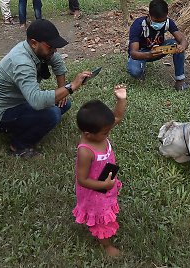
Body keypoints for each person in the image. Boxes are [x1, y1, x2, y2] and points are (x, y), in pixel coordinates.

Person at [0, 19, 91, 157]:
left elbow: (57, 63)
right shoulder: (22, 62)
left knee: (64, 103)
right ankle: (18, 145)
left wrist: (63, 89)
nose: (55, 50)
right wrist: (71, 86)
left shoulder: (36, 50)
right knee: (52, 114)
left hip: (19, 102)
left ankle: (26, 124)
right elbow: (36, 101)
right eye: (51, 46)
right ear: (34, 43)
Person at [72, 84, 127, 258]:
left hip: (106, 182)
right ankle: (107, 245)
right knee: (100, 219)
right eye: (106, 132)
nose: (109, 133)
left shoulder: (99, 131)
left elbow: (117, 116)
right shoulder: (86, 150)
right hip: (94, 191)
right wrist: (103, 184)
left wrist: (121, 99)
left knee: (107, 206)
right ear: (88, 134)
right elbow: (82, 179)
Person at [127, 0, 189, 90]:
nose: (159, 24)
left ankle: (180, 81)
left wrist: (182, 47)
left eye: (162, 21)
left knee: (177, 45)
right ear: (149, 15)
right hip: (141, 54)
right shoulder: (138, 25)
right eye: (156, 21)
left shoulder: (168, 22)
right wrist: (149, 54)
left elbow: (183, 40)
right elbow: (133, 53)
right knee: (135, 72)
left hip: (158, 50)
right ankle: (141, 68)